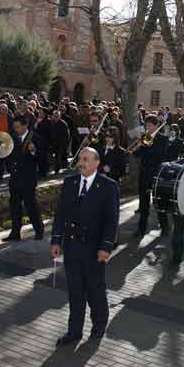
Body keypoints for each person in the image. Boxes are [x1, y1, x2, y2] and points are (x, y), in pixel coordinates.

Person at [50, 147, 119, 346]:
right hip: (72, 247)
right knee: (75, 291)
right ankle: (74, 332)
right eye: (80, 158)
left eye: (86, 159)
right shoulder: (70, 182)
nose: (81, 162)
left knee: (95, 290)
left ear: (97, 163)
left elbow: (111, 220)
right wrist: (56, 241)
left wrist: (106, 247)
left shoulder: (108, 186)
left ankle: (98, 327)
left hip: (94, 249)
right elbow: (60, 214)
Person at [3, 116, 44, 241]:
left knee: (30, 205)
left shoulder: (35, 138)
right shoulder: (13, 138)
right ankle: (15, 232)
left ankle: (39, 230)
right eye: (14, 127)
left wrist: (34, 151)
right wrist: (10, 167)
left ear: (25, 125)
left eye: (18, 127)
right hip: (15, 177)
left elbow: (43, 158)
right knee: (14, 206)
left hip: (28, 178)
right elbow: (8, 155)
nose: (16, 129)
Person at [133, 115, 169, 237]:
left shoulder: (163, 138)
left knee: (159, 202)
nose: (147, 128)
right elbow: (136, 154)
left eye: (150, 126)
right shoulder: (144, 138)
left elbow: (162, 155)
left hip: (156, 174)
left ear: (156, 126)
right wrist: (140, 144)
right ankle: (141, 230)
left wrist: (150, 146)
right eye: (146, 126)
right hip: (144, 174)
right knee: (144, 204)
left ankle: (165, 228)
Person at [50, 109, 71, 175]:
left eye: (57, 116)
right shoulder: (51, 122)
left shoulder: (63, 124)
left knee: (58, 156)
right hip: (53, 142)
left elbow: (67, 135)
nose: (55, 117)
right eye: (54, 116)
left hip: (60, 143)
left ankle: (57, 169)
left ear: (60, 116)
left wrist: (65, 143)